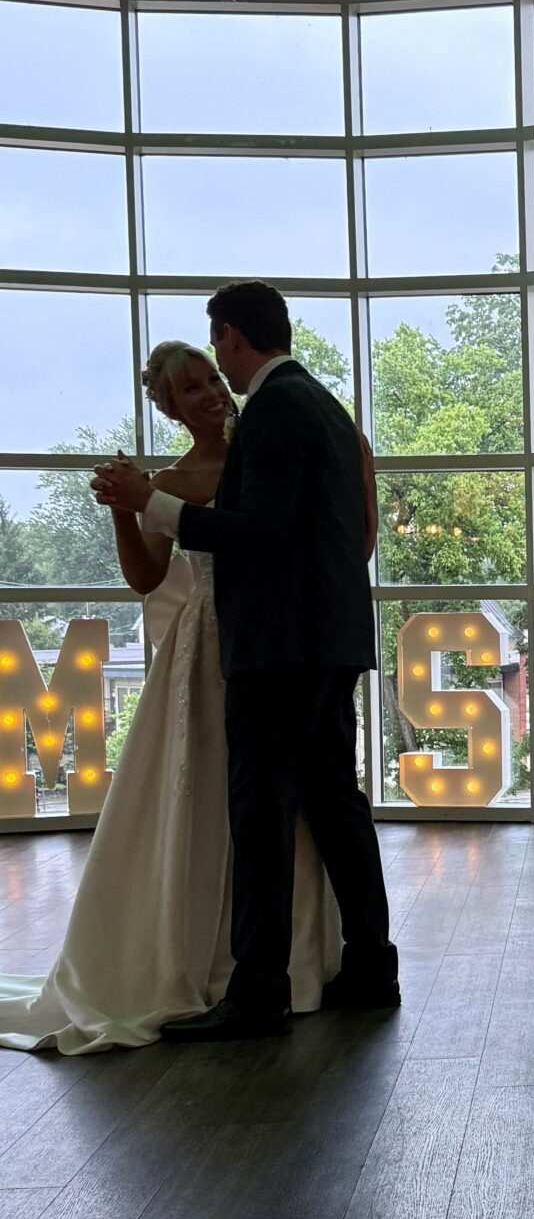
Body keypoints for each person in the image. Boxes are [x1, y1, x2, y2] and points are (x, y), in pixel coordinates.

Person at [0, 342, 343, 1052]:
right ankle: (202, 958)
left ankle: (287, 962)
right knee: (205, 794)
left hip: (270, 644)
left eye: (212, 377)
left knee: (274, 803)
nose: (211, 393)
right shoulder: (171, 480)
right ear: (169, 407)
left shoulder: (266, 445)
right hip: (202, 649)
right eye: (190, 389)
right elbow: (147, 579)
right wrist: (123, 510)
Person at [91, 282, 399, 1041]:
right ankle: (370, 965)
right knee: (335, 804)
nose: (215, 377)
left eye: (214, 353)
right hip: (326, 641)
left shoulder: (274, 409)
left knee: (261, 815)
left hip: (277, 647)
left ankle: (259, 992)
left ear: (231, 336)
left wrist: (149, 502)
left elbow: (258, 534)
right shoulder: (324, 405)